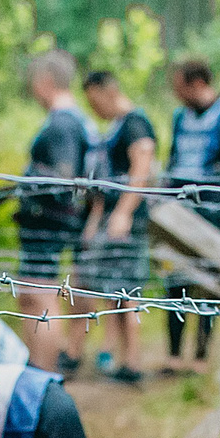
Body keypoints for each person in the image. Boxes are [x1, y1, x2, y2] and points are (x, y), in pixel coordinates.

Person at [163, 59, 220, 367]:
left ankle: (201, 355)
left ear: (197, 83)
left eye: (180, 87)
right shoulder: (179, 117)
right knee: (175, 280)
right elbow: (171, 162)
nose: (176, 95)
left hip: (215, 212)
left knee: (209, 285)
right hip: (177, 212)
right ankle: (174, 355)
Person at [77, 71, 158, 384]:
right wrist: (96, 220)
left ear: (106, 91)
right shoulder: (114, 129)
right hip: (109, 220)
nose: (93, 108)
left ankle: (133, 361)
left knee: (128, 293)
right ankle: (122, 358)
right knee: (113, 291)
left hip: (126, 223)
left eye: (93, 100)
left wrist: (124, 212)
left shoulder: (135, 123)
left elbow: (143, 164)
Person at [14, 51, 91, 374]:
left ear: (45, 82)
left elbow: (63, 178)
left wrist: (28, 182)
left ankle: (43, 373)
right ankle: (38, 369)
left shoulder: (62, 124)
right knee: (31, 293)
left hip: (48, 221)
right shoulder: (73, 121)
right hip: (50, 221)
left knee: (40, 295)